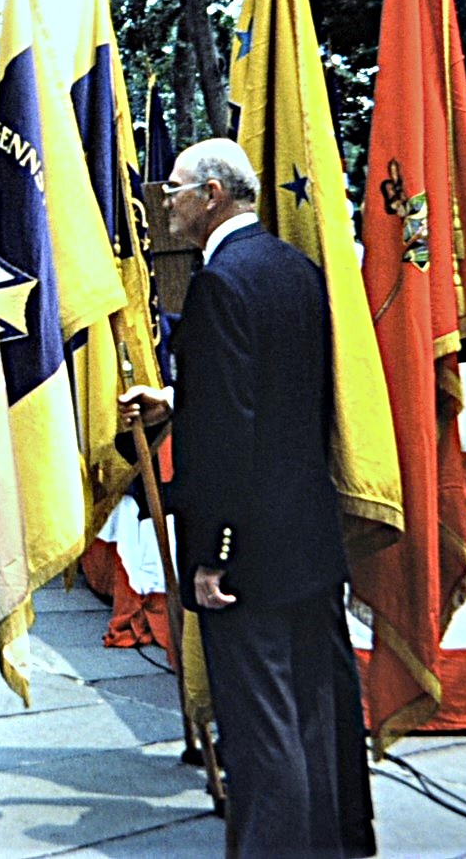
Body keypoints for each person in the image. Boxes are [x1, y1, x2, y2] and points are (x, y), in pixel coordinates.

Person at [121, 138, 373, 858]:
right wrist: (178, 398)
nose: (164, 201)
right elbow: (278, 392)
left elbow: (228, 434)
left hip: (250, 551)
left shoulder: (219, 283)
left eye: (173, 188)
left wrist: (214, 551)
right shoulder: (295, 268)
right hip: (306, 534)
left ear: (212, 194)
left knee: (262, 733)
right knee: (317, 715)